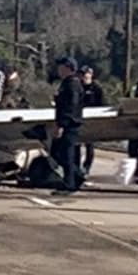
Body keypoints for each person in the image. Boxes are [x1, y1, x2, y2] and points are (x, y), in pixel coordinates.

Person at [51, 56, 84, 195]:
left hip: (70, 124)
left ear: (68, 68)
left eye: (61, 67)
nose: (59, 70)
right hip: (66, 123)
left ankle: (70, 183)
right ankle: (76, 177)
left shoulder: (73, 84)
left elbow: (70, 107)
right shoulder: (66, 83)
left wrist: (61, 125)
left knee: (66, 155)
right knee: (57, 153)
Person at [79, 65, 105, 179]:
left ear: (91, 74)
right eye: (82, 74)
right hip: (79, 119)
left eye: (86, 74)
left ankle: (87, 168)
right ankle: (77, 168)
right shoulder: (78, 87)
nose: (84, 76)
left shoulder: (97, 88)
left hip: (92, 120)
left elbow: (102, 104)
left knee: (90, 146)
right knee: (76, 145)